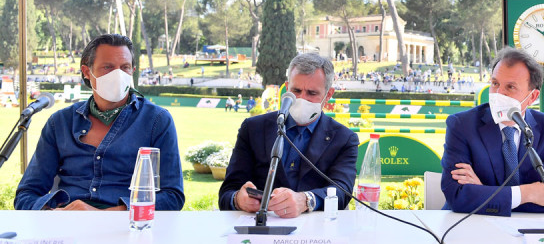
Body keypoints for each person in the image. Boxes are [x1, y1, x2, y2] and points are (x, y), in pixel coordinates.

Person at [15, 33, 184, 211]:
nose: (118, 75)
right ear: (87, 72)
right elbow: (27, 194)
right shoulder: (60, 123)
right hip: (68, 227)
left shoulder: (156, 121)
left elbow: (172, 196)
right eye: (108, 67)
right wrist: (55, 214)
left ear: (132, 71)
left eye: (125, 67)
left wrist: (107, 215)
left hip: (128, 230)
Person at [218, 53, 358, 217]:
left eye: (312, 93)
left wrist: (306, 200)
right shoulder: (252, 128)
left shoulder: (344, 138)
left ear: (328, 95)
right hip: (261, 232)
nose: (301, 99)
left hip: (316, 233)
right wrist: (238, 200)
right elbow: (227, 193)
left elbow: (342, 192)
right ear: (286, 87)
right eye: (296, 90)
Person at [441, 47, 544, 216]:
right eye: (495, 84)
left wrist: (484, 192)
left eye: (510, 87)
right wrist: (528, 193)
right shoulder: (461, 125)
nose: (498, 93)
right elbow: (457, 197)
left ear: (532, 97)